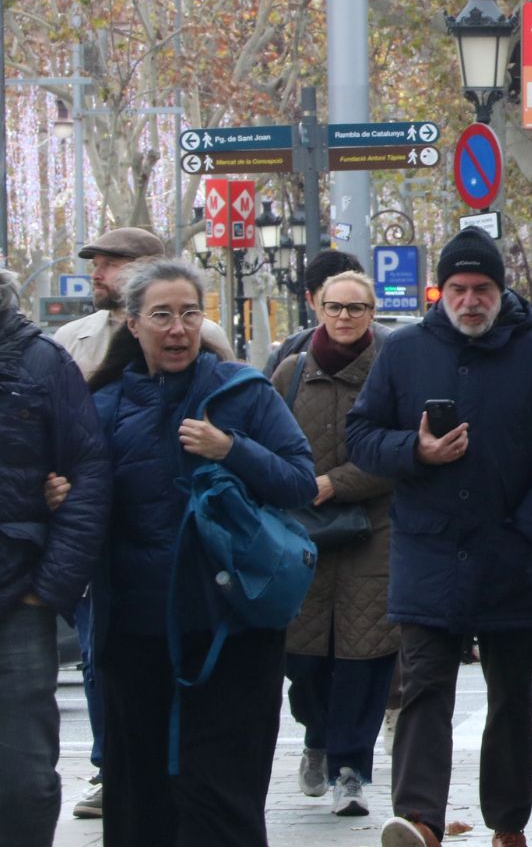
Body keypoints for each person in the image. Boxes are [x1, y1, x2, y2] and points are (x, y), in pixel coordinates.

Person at [347, 228, 532, 847]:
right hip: (428, 547)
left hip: (513, 549)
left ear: (502, 292)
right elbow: (361, 436)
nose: (471, 300)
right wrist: (415, 449)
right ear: (440, 291)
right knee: (425, 685)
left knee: (512, 696)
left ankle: (508, 823)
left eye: (483, 288)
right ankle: (419, 819)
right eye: (458, 288)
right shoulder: (403, 352)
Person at [90, 259, 316, 847]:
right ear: (132, 324)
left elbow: (299, 481)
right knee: (140, 799)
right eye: (161, 315)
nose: (177, 329)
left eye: (190, 313)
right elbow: (82, 507)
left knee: (223, 798)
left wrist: (231, 448)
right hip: (136, 635)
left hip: (231, 632)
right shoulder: (102, 404)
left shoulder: (242, 391)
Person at [273, 270, 400, 820]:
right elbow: (263, 440)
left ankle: (351, 769)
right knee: (302, 659)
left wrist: (336, 483)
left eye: (357, 308)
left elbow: (402, 452)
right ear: (318, 310)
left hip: (373, 536)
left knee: (363, 660)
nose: (345, 317)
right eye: (335, 307)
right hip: (301, 534)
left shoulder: (392, 371)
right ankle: (316, 737)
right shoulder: (290, 371)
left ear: (373, 313)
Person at [0, 267, 109, 847]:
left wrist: (51, 587)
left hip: (17, 596)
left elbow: (88, 475)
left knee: (22, 782)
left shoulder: (42, 362)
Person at [55, 226, 236, 376]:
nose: (95, 275)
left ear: (146, 269)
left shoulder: (206, 333)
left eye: (110, 264)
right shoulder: (70, 338)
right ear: (133, 326)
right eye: (95, 266)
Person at [266, 249, 396, 377]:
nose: (343, 316)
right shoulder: (290, 353)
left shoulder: (394, 350)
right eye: (333, 306)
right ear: (311, 300)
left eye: (354, 307)